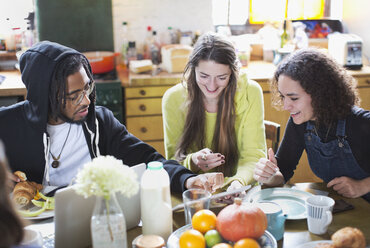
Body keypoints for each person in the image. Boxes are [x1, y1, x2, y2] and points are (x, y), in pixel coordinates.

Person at [0, 41, 223, 193]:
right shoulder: (7, 125)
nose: (86, 101)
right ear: (45, 97)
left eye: (87, 88)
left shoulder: (99, 122)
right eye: (73, 96)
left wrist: (188, 179)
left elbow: (150, 162)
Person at [254, 48, 370, 203]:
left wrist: (363, 185)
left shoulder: (360, 123)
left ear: (321, 94)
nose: (285, 106)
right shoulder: (301, 123)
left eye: (294, 98)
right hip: (347, 208)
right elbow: (282, 173)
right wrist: (270, 175)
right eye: (283, 97)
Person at [162, 32, 266, 194]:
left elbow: (254, 156)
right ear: (193, 69)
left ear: (232, 73)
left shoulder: (250, 92)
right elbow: (172, 163)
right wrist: (193, 161)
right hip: (195, 192)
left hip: (240, 190)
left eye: (221, 77)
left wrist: (237, 183)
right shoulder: (173, 99)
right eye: (204, 76)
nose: (212, 86)